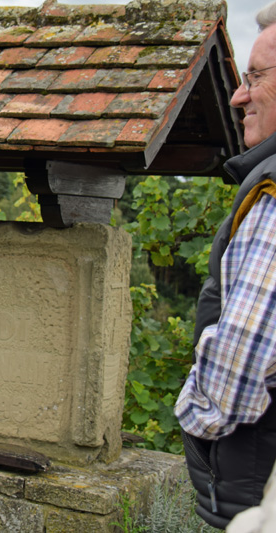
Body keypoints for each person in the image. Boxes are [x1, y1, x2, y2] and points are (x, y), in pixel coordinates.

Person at [174, 2, 276, 529]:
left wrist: (196, 423)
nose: (238, 95)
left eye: (255, 77)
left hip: (255, 487)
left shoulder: (273, 195)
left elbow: (239, 363)